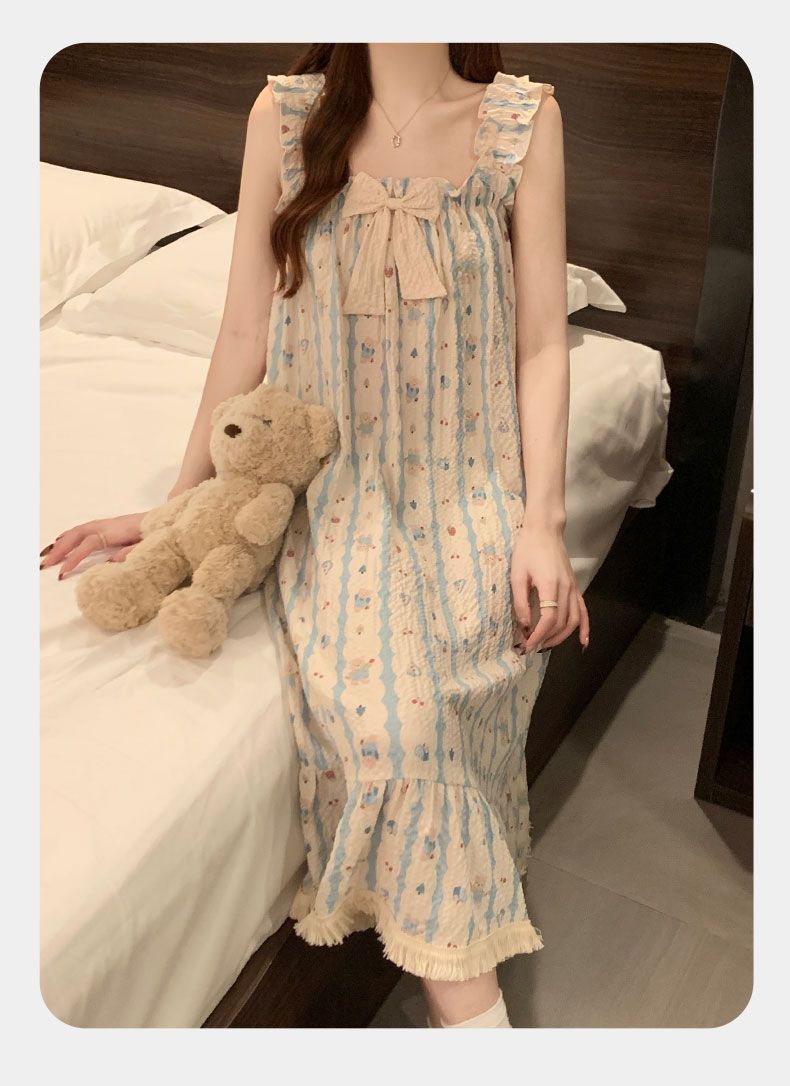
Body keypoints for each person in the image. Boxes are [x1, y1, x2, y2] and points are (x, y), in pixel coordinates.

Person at [41, 43, 589, 1028]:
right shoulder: (284, 117)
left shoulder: (522, 122)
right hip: (335, 488)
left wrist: (542, 523)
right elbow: (244, 332)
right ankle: (475, 1018)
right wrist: (181, 507)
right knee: (397, 727)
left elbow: (544, 339)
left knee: (468, 678)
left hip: (470, 484)